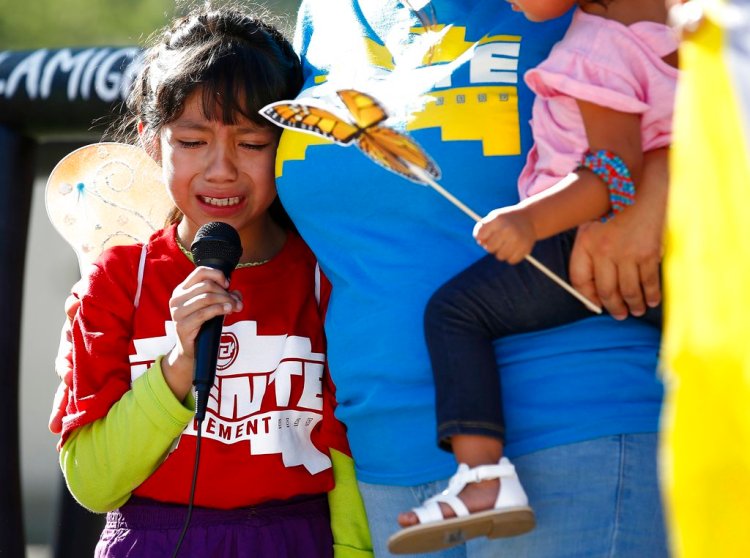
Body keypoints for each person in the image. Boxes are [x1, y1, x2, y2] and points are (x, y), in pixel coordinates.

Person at [272, 0, 669, 557]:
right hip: (391, 457)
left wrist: (661, 182)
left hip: (578, 422)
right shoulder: (323, 16)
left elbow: (720, 90)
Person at [49, 5, 371, 557]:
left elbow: (345, 457)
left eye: (251, 143)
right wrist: (176, 365)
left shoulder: (328, 276)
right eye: (194, 142)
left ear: (289, 141)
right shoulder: (118, 280)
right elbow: (93, 482)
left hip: (297, 539)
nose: (221, 170)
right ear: (154, 141)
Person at [387, 0, 676, 551]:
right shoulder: (688, 35)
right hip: (679, 253)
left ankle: (483, 480)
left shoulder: (596, 47)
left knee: (455, 312)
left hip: (587, 242)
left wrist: (527, 220)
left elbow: (612, 174)